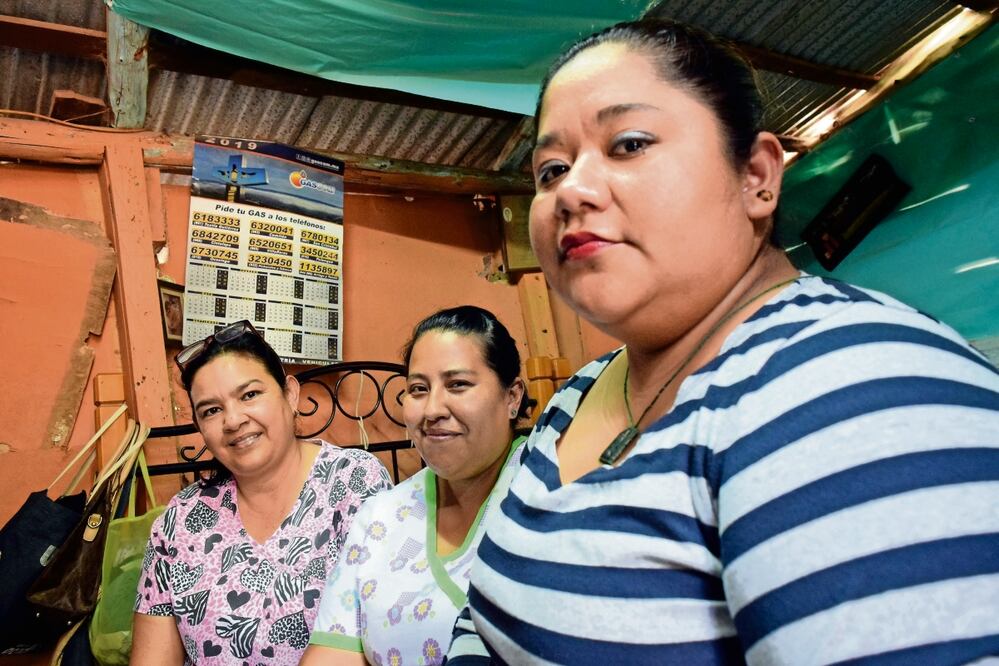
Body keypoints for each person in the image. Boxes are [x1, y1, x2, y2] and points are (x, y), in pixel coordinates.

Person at [447, 18, 999, 665]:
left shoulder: (853, 386)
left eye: (627, 143)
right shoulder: (575, 397)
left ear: (757, 176)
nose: (571, 190)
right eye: (549, 170)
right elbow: (482, 619)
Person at [131, 320, 392, 665]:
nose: (233, 420)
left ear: (290, 394)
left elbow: (385, 632)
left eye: (250, 395)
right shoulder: (181, 520)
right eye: (211, 410)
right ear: (200, 428)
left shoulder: (353, 482)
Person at [302, 306, 527, 666]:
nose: (432, 409)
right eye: (418, 389)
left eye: (458, 385)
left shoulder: (548, 489)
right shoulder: (381, 517)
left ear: (512, 396)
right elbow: (334, 652)